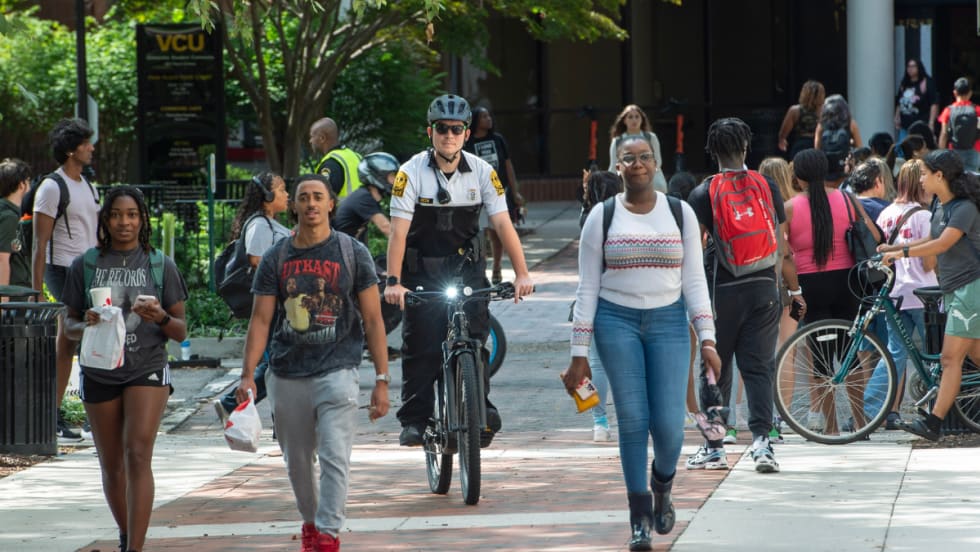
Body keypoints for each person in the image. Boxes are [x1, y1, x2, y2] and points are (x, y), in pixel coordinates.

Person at [566, 136, 719, 548]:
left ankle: (662, 485)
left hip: (668, 320)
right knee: (633, 419)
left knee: (669, 426)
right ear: (618, 167)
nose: (637, 164)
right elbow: (587, 289)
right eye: (628, 159)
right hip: (615, 321)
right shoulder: (602, 216)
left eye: (645, 157)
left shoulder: (680, 213)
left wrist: (707, 338)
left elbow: (694, 281)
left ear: (657, 163)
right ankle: (639, 518)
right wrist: (578, 355)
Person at [236, 174, 391, 551]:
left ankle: (327, 534)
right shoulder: (277, 256)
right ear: (294, 206)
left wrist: (382, 379)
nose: (310, 204)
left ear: (330, 204)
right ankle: (311, 523)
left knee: (336, 454)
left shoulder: (352, 252)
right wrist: (247, 376)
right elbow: (260, 320)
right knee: (298, 462)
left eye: (318, 197)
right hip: (286, 372)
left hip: (338, 368)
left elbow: (373, 319)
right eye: (303, 197)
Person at [383, 93, 534, 449]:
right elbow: (398, 232)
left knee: (476, 339)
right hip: (421, 271)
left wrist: (523, 273)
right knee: (421, 343)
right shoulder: (410, 172)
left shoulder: (483, 172)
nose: (448, 135)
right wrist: (393, 281)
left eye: (456, 129)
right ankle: (415, 420)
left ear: (467, 134)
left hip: (466, 268)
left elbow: (502, 224)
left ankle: (479, 406)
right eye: (441, 128)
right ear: (430, 131)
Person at [61, 186, 188, 552]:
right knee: (113, 464)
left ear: (142, 219)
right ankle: (125, 533)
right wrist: (84, 322)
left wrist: (161, 316)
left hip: (145, 366)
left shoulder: (160, 264)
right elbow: (67, 327)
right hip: (99, 370)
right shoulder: (84, 265)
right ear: (106, 220)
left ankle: (135, 547)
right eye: (116, 214)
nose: (124, 222)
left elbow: (180, 330)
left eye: (132, 214)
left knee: (137, 453)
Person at [686, 118, 804, 474]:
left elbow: (694, 249)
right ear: (746, 147)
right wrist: (795, 290)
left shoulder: (702, 193)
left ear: (712, 152)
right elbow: (782, 246)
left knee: (714, 367)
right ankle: (762, 444)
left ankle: (715, 447)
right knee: (759, 367)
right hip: (765, 288)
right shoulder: (766, 185)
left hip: (721, 292)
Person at [881, 150, 980, 442]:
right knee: (974, 355)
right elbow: (933, 237)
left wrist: (902, 253)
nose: (920, 179)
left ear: (940, 176)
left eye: (924, 173)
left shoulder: (965, 208)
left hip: (970, 289)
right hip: (956, 290)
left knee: (950, 359)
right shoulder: (940, 205)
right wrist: (893, 248)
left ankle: (934, 424)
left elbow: (943, 244)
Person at [784, 149, 880, 433]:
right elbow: (873, 236)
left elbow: (784, 255)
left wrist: (793, 292)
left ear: (798, 176)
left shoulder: (789, 207)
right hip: (847, 282)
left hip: (811, 285)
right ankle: (861, 423)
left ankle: (832, 428)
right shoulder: (847, 199)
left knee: (820, 358)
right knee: (850, 353)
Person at [32, 118, 101, 442]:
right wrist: (36, 292)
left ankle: (58, 415)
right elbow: (39, 244)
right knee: (83, 336)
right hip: (61, 270)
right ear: (72, 149)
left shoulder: (88, 185)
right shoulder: (51, 187)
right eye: (86, 143)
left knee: (71, 342)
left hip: (89, 271)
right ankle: (76, 415)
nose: (92, 148)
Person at [864, 159, 937, 429]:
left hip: (894, 291)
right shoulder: (924, 215)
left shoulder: (886, 214)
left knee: (894, 354)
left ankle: (870, 411)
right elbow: (929, 262)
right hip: (924, 292)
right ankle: (938, 408)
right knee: (936, 353)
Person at [213, 172, 291, 422]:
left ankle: (231, 405)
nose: (286, 194)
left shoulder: (269, 223)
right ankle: (230, 404)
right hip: (271, 304)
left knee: (277, 363)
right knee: (276, 364)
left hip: (280, 303)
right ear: (267, 197)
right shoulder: (259, 225)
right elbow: (257, 260)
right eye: (281, 190)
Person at [576, 169, 622, 441]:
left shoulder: (587, 218)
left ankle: (599, 422)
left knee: (592, 363)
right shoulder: (625, 218)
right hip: (620, 295)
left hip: (591, 297)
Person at [464, 106, 527, 284]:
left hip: (498, 192)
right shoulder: (467, 143)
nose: (489, 119)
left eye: (489, 116)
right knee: (478, 234)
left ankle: (497, 267)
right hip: (475, 196)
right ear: (475, 120)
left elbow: (508, 166)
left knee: (496, 233)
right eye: (484, 116)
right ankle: (480, 269)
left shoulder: (497, 139)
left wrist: (515, 192)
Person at [333, 152, 399, 242]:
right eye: (392, 176)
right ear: (378, 176)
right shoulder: (363, 198)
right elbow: (386, 228)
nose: (395, 181)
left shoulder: (367, 196)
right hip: (337, 250)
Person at [608, 105, 668, 193]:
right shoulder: (617, 141)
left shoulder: (651, 137)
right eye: (630, 117)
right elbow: (613, 166)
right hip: (626, 180)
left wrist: (646, 174)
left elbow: (658, 161)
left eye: (637, 117)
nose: (634, 120)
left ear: (642, 119)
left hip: (651, 178)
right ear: (624, 120)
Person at [0, 158, 32, 300]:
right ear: (22, 185)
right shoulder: (9, 217)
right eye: (28, 181)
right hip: (13, 296)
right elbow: (2, 259)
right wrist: (4, 299)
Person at [309, 117, 363, 199]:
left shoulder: (331, 164)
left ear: (322, 138)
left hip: (342, 211)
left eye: (312, 136)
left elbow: (322, 200)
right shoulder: (356, 156)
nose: (310, 141)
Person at [937, 77, 980, 172]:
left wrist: (940, 153)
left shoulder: (948, 110)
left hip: (954, 151)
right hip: (974, 149)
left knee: (956, 179)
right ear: (970, 93)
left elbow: (944, 133)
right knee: (973, 179)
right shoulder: (977, 110)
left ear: (955, 92)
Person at [815, 94, 862, 176]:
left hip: (827, 168)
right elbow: (860, 148)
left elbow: (817, 148)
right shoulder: (850, 123)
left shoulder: (821, 125)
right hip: (844, 167)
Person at [778, 80, 825, 159]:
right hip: (819, 146)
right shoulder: (825, 110)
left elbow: (783, 135)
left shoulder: (795, 110)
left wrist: (782, 142)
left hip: (800, 147)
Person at [894, 58, 939, 141]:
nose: (910, 69)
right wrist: (897, 117)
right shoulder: (904, 83)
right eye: (908, 66)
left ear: (919, 67)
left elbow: (934, 103)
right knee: (902, 149)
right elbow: (899, 102)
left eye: (913, 66)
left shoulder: (926, 82)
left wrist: (931, 122)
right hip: (905, 125)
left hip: (920, 124)